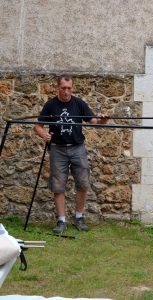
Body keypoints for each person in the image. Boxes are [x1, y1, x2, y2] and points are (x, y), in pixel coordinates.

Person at [34, 75, 109, 234]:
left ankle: (79, 217)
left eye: (69, 88)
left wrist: (102, 120)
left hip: (77, 148)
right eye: (63, 88)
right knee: (58, 185)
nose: (66, 92)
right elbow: (38, 126)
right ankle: (61, 220)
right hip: (57, 149)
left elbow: (94, 122)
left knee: (82, 183)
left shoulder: (78, 104)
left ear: (72, 88)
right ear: (58, 88)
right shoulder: (50, 105)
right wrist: (43, 135)